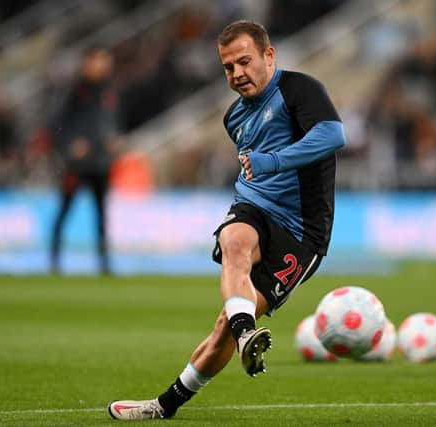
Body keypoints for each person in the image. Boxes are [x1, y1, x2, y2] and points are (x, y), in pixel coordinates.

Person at [108, 20, 345, 420]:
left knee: (223, 325)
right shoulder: (233, 117)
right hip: (254, 207)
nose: (237, 74)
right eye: (228, 67)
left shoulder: (300, 89)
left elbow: (332, 135)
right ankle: (246, 333)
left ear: (269, 56)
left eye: (245, 62)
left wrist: (275, 161)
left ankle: (166, 405)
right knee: (235, 241)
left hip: (303, 231)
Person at [49, 46, 122, 275]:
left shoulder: (109, 91)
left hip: (101, 163)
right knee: (64, 211)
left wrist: (115, 140)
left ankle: (104, 264)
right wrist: (70, 145)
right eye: (99, 60)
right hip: (77, 166)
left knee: (101, 216)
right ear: (87, 63)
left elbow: (113, 122)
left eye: (105, 61)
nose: (103, 65)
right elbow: (56, 125)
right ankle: (54, 261)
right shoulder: (75, 91)